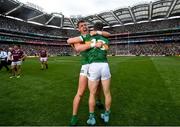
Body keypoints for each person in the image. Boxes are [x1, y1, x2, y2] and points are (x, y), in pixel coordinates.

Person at [67, 20, 110, 126]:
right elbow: (76, 47)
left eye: (85, 25)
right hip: (86, 66)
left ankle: (98, 101)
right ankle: (74, 116)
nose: (84, 27)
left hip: (95, 65)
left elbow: (107, 34)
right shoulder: (79, 38)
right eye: (82, 26)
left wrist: (98, 33)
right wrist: (93, 44)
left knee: (98, 87)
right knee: (80, 92)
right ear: (78, 29)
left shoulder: (92, 33)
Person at [86, 22, 112, 125]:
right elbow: (107, 49)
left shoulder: (90, 36)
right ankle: (106, 115)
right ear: (102, 29)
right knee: (107, 93)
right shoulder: (105, 38)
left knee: (92, 93)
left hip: (93, 65)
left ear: (94, 28)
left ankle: (92, 118)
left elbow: (86, 48)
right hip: (104, 65)